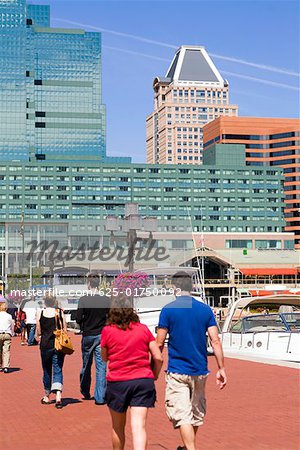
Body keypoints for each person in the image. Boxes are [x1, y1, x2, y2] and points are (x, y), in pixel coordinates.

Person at [156, 271, 227, 450]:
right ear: (192, 287)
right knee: (195, 414)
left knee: (182, 416)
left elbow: (159, 342)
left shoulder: (168, 310)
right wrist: (221, 368)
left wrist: (155, 365)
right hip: (200, 370)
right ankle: (187, 446)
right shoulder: (205, 310)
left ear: (176, 288)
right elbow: (215, 340)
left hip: (177, 370)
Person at [101, 295, 163, 450]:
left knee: (117, 427)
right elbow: (158, 357)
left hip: (118, 382)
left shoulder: (107, 331)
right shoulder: (143, 329)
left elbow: (104, 357)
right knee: (139, 427)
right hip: (142, 380)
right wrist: (154, 374)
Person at [76, 273, 110, 404]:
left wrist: (85, 321)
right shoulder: (106, 299)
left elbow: (78, 318)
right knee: (101, 366)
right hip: (102, 334)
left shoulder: (83, 299)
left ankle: (85, 390)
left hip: (88, 334)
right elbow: (110, 316)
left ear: (88, 284)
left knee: (86, 364)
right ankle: (100, 397)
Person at [36, 294, 67, 408]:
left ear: (45, 301)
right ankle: (58, 395)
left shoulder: (41, 312)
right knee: (58, 368)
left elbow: (38, 330)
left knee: (46, 369)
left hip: (45, 344)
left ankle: (47, 395)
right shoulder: (59, 312)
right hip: (58, 344)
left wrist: (39, 336)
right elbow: (64, 327)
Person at [0, 300, 14, 373]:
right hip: (7, 334)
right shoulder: (9, 316)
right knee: (6, 351)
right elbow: (12, 325)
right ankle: (6, 366)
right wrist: (12, 333)